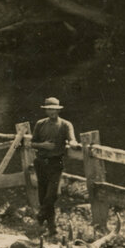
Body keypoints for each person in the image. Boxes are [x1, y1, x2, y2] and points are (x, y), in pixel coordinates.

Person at [26, 97, 80, 236]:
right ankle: (52, 229)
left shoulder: (65, 125)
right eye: (49, 109)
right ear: (45, 110)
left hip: (56, 163)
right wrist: (43, 145)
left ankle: (39, 217)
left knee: (53, 194)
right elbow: (32, 143)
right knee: (43, 195)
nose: (51, 112)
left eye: (54, 109)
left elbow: (72, 139)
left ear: (58, 110)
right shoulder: (40, 124)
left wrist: (74, 144)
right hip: (41, 162)